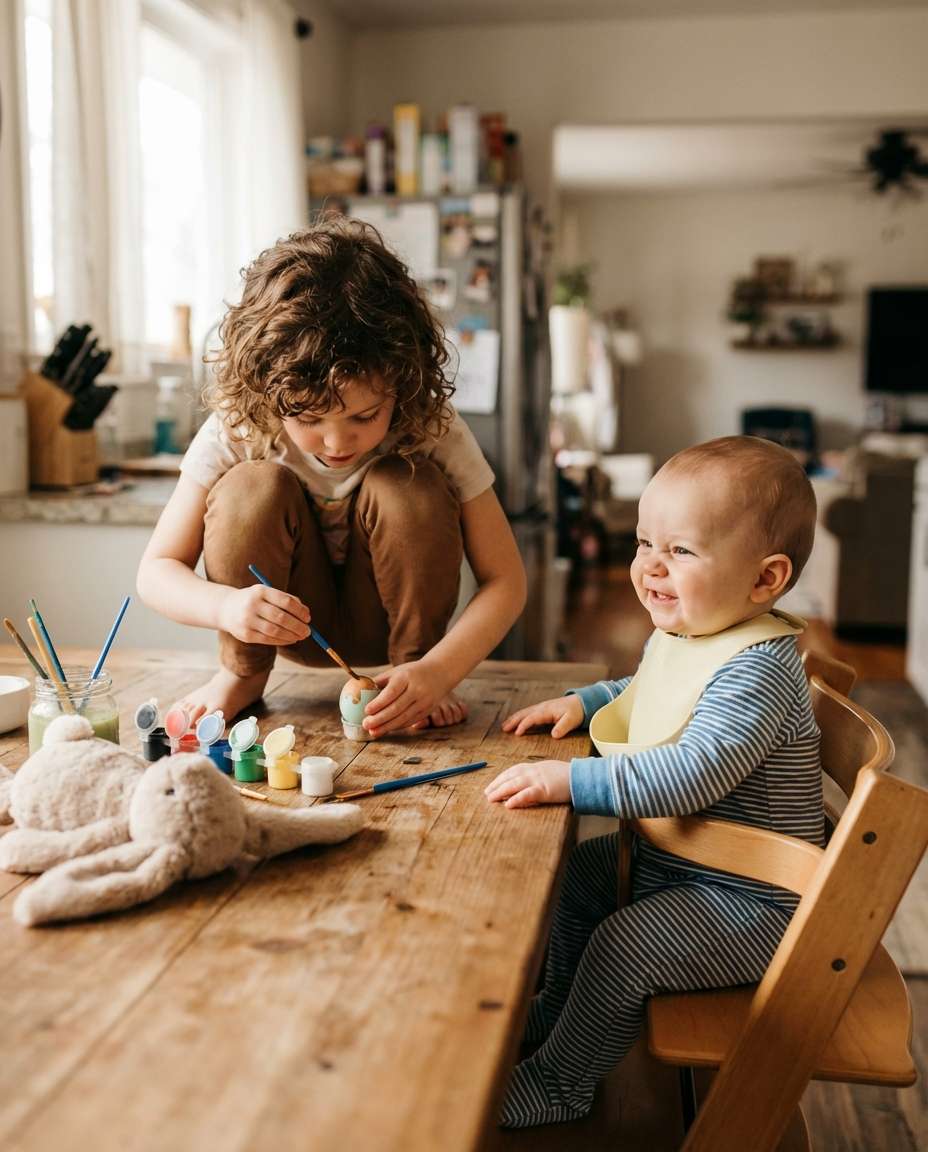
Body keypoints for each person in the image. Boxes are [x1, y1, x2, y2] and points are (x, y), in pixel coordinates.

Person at [484, 435, 823, 1128]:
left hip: (753, 906)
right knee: (583, 873)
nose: (650, 568)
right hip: (688, 871)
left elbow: (691, 774)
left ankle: (562, 1082)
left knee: (624, 946)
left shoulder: (756, 669)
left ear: (765, 581)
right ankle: (559, 1009)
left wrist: (573, 780)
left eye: (681, 551)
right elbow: (652, 689)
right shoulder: (696, 633)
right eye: (644, 543)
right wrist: (588, 702)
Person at [137, 218, 526, 736]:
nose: (338, 443)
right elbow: (156, 571)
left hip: (398, 640)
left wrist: (438, 671)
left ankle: (409, 678)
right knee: (252, 488)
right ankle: (242, 676)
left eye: (365, 417)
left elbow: (507, 581)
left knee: (407, 483)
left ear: (402, 382)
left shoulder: (429, 421)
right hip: (286, 631)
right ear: (268, 394)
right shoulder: (240, 423)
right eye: (308, 419)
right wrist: (227, 607)